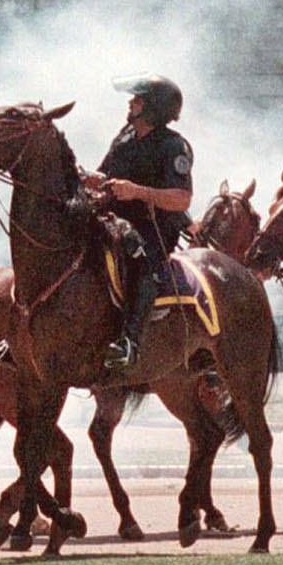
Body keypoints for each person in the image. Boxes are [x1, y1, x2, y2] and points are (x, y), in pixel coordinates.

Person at [81, 74, 194, 371]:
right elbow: (107, 176)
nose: (131, 103)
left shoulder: (173, 146)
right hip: (112, 219)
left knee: (139, 260)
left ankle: (130, 341)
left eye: (138, 99)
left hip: (151, 227)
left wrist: (137, 192)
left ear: (153, 108)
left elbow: (181, 198)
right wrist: (94, 179)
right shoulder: (124, 138)